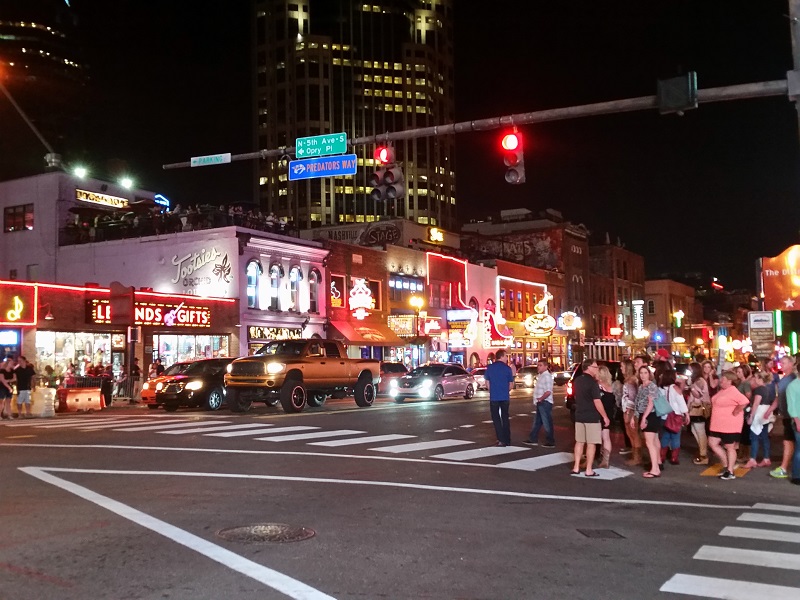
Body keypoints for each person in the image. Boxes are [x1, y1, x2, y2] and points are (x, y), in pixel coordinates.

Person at [707, 371, 750, 481]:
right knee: (712, 443)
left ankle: (730, 471)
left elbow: (744, 401)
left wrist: (736, 411)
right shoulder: (722, 391)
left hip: (730, 424)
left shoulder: (733, 391)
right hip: (717, 424)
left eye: (724, 379)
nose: (721, 381)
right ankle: (727, 465)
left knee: (730, 447)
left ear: (730, 381)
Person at [571, 359, 609, 477]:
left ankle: (576, 467)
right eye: (595, 367)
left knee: (579, 442)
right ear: (589, 368)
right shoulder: (593, 383)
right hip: (592, 416)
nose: (596, 369)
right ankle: (589, 470)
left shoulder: (577, 380)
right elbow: (597, 401)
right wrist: (605, 416)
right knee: (591, 443)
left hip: (579, 414)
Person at [769, 355, 797, 479]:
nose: (782, 365)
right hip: (786, 415)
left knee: (789, 441)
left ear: (791, 364)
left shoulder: (793, 379)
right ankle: (784, 466)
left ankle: (785, 467)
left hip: (792, 415)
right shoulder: (784, 379)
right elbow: (778, 397)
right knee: (788, 441)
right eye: (781, 363)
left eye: (784, 363)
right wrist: (771, 409)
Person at [633, 365, 661, 478]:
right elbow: (638, 402)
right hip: (644, 414)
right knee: (651, 442)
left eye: (645, 373)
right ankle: (655, 467)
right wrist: (635, 416)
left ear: (649, 374)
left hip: (651, 415)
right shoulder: (641, 386)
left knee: (650, 443)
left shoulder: (652, 386)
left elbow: (651, 403)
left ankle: (655, 469)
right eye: (641, 373)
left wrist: (644, 417)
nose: (643, 375)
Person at [659, 367, 689, 466]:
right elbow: (681, 402)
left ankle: (662, 456)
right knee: (675, 437)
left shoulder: (661, 388)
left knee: (665, 436)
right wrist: (686, 414)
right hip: (675, 416)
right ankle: (674, 457)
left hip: (664, 416)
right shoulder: (675, 388)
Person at [484, 349, 514, 446]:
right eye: (506, 356)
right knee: (505, 417)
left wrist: (491, 391)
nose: (507, 358)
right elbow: (511, 384)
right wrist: (506, 391)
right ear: (501, 356)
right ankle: (507, 439)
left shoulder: (490, 368)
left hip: (494, 397)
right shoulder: (507, 369)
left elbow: (487, 382)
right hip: (505, 397)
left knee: (496, 418)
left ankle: (500, 439)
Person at [745, 370, 775, 468]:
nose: (754, 379)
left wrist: (751, 416)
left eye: (756, 377)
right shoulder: (767, 389)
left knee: (754, 437)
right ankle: (766, 458)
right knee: (765, 436)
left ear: (760, 379)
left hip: (759, 413)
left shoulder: (758, 390)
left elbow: (756, 403)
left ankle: (752, 459)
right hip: (765, 413)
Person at [523, 360, 555, 447]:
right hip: (540, 402)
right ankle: (532, 438)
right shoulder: (541, 376)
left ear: (545, 366)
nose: (538, 367)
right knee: (537, 422)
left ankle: (550, 441)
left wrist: (541, 398)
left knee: (547, 422)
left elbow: (548, 391)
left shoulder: (547, 377)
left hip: (544, 402)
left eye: (540, 365)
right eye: (538, 365)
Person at [686, 362, 712, 465]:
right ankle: (703, 450)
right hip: (694, 408)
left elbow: (698, 395)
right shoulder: (696, 380)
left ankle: (703, 454)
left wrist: (691, 387)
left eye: (690, 369)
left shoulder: (700, 381)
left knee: (700, 430)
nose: (689, 371)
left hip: (699, 408)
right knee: (694, 429)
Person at [620, 360, 642, 466]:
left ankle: (637, 457)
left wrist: (629, 412)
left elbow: (632, 397)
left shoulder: (631, 381)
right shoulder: (628, 380)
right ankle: (635, 455)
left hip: (630, 410)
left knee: (634, 433)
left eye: (622, 366)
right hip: (627, 409)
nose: (621, 368)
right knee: (630, 434)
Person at [596, 365, 617, 469]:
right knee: (606, 437)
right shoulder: (611, 387)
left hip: (600, 414)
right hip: (609, 414)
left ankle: (599, 456)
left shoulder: (598, 387)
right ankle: (606, 460)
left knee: (598, 437)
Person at [784, 376, 800, 485]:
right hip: (798, 420)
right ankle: (796, 476)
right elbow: (791, 407)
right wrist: (797, 422)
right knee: (799, 450)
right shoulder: (792, 386)